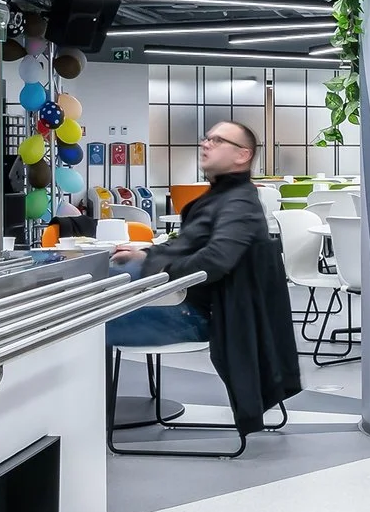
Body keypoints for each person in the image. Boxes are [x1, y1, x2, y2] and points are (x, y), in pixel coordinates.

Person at [107, 120, 267, 349]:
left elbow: (216, 259)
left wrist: (163, 269)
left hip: (199, 316)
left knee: (85, 327)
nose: (206, 144)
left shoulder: (239, 202)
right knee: (107, 278)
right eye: (206, 138)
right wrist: (145, 254)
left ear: (243, 155)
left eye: (218, 140)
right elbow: (185, 245)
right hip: (186, 301)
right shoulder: (218, 197)